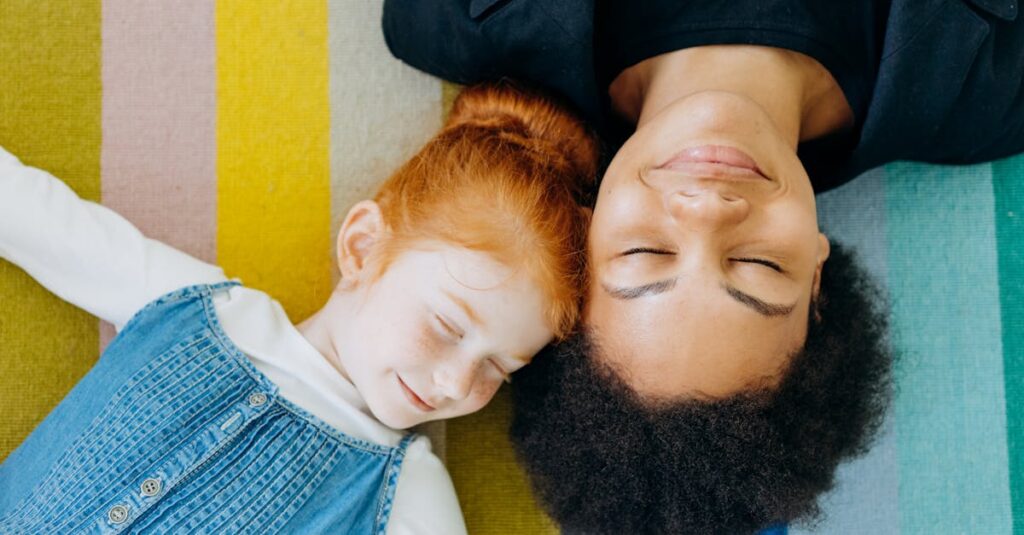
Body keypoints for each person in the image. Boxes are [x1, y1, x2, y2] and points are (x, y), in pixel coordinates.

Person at [383, 1, 1024, 533]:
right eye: (757, 265)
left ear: (580, 242)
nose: (708, 209)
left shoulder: (450, 18)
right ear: (817, 278)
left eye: (646, 253)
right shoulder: (993, 86)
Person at [0, 82, 595, 534]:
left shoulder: (404, 489)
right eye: (445, 326)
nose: (456, 383)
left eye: (499, 369)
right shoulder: (194, 303)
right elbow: (34, 217)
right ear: (364, 246)